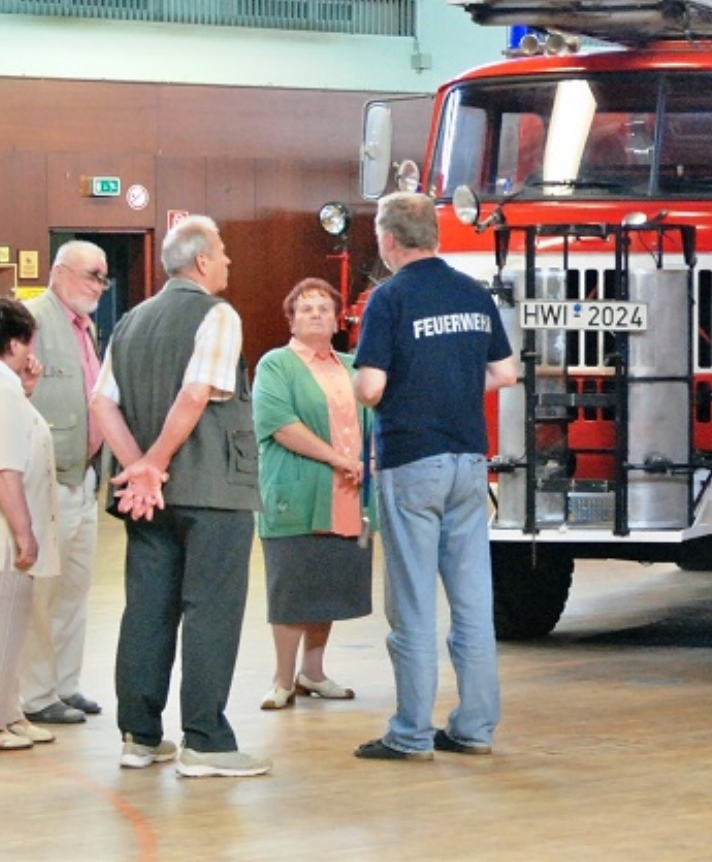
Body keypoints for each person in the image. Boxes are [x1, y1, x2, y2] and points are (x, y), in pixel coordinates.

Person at [90, 216, 270, 778]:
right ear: (200, 262)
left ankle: (139, 737)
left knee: (147, 610)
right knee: (211, 610)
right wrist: (155, 463)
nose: (228, 262)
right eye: (222, 253)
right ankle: (206, 742)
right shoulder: (217, 314)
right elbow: (197, 394)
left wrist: (138, 468)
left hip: (149, 501)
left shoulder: (130, 321)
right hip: (213, 491)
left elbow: (102, 404)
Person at [351, 192, 516, 761]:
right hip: (470, 462)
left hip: (411, 460)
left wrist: (389, 387)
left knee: (413, 603)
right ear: (436, 236)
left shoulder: (388, 298)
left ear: (388, 240)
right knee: (473, 602)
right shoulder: (474, 294)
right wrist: (456, 383)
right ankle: (475, 727)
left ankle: (410, 733)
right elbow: (507, 372)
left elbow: (371, 386)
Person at [253, 277, 372, 711]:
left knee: (327, 585)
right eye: (306, 308)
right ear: (291, 319)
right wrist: (340, 459)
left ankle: (313, 673)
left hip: (349, 495)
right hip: (297, 494)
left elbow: (373, 423)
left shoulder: (353, 365)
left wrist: (369, 463)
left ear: (338, 318)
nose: (316, 314)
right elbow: (281, 425)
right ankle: (282, 679)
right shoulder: (275, 365)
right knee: (291, 587)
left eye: (324, 307)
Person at [20, 241, 109, 727]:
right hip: (43, 479)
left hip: (83, 477)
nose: (97, 285)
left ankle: (64, 684)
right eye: (90, 275)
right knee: (42, 591)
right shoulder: (29, 320)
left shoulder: (86, 327)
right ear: (58, 272)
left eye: (102, 278)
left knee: (75, 587)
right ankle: (35, 694)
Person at [0, 299, 60, 751]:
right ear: (18, 342)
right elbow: (7, 468)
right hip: (6, 535)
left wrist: (27, 388)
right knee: (6, 627)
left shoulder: (10, 386)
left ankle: (10, 710)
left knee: (14, 627)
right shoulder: (2, 386)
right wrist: (25, 533)